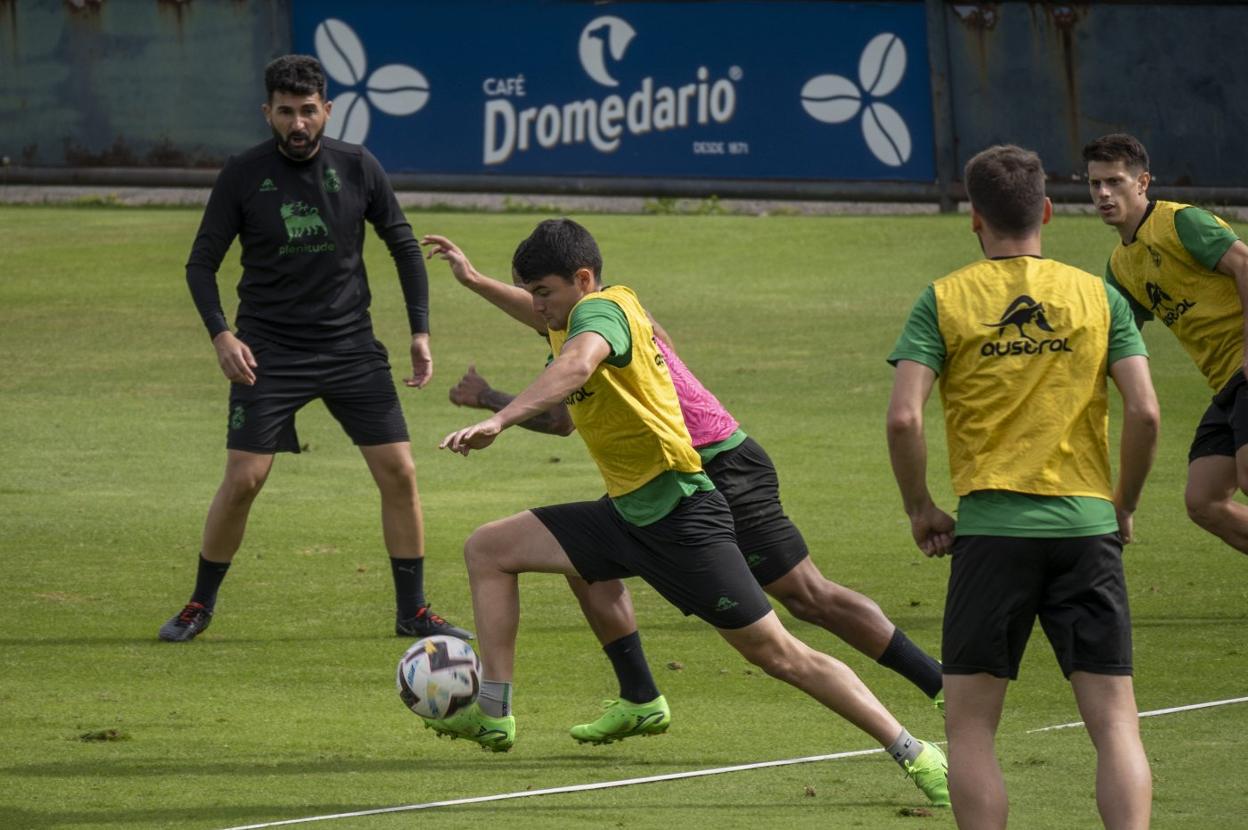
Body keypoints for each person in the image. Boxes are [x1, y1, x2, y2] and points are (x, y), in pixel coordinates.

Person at [426, 218, 949, 809]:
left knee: (782, 648)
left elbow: (575, 366)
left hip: (684, 510)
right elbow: (550, 327)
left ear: (583, 279)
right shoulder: (575, 315)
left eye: (544, 292)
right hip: (630, 510)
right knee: (491, 548)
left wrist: (499, 416)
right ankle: (500, 712)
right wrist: (473, 281)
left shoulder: (600, 317)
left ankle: (916, 749)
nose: (537, 306)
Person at [886, 145, 1158, 828]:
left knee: (972, 729)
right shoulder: (1099, 297)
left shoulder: (943, 299)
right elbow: (1147, 411)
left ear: (974, 219)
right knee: (1116, 724)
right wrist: (1120, 502)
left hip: (991, 534)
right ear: (1044, 209)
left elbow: (903, 416)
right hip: (1087, 531)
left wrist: (920, 507)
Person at [157, 55, 469, 642]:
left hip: (351, 347)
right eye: (285, 112)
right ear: (267, 113)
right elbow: (201, 264)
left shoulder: (358, 165)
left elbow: (403, 245)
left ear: (326, 109)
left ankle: (413, 611)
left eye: (307, 111)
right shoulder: (243, 173)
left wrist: (420, 331)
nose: (297, 124)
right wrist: (222, 334)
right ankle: (199, 604)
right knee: (245, 479)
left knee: (400, 472)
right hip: (268, 351)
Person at [1083, 133, 1248, 556]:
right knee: (1204, 500)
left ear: (1142, 183)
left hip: (1243, 367)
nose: (1103, 192)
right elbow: (1115, 342)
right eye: (1095, 183)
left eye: (1115, 181)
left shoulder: (1180, 223)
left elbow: (1246, 264)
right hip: (1227, 384)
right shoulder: (1120, 266)